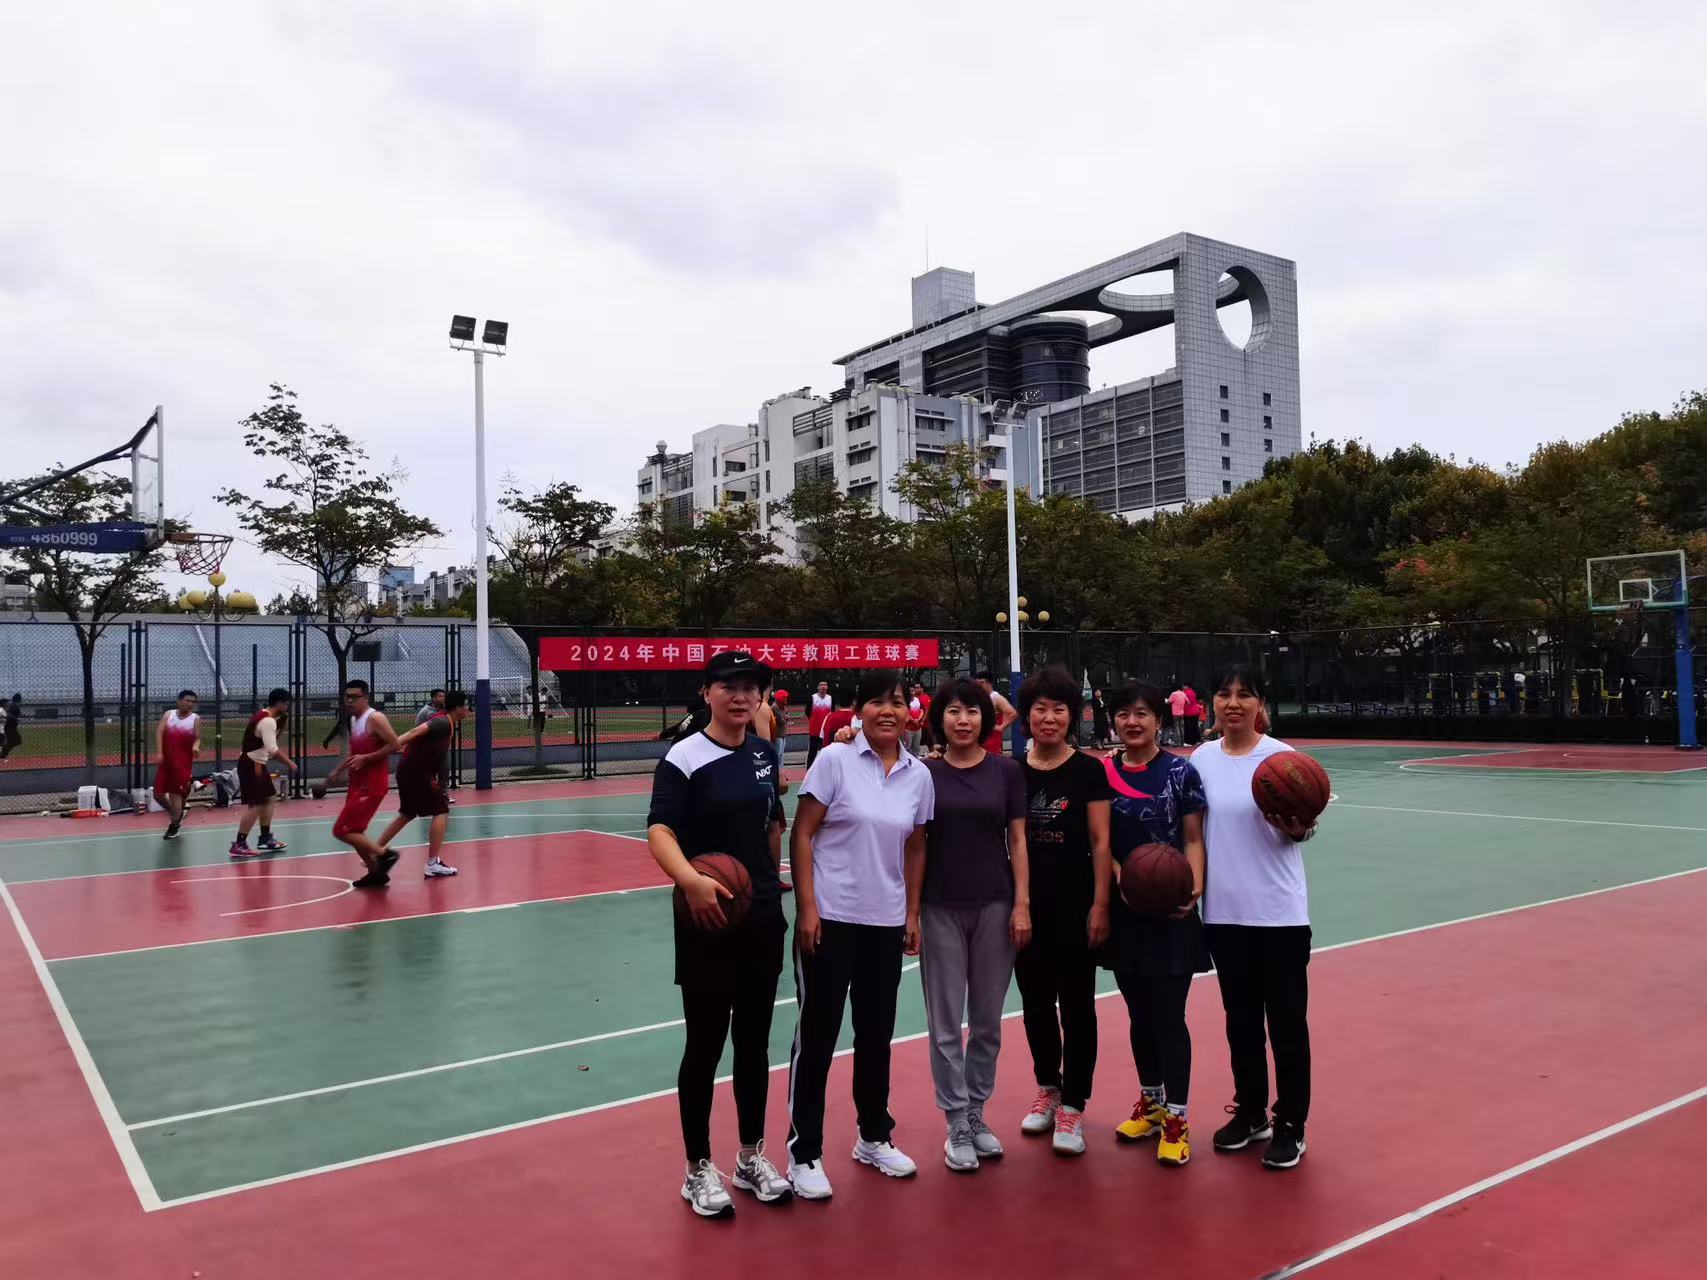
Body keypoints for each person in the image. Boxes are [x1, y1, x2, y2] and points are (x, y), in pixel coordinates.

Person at [648, 651, 791, 1219]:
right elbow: (660, 830)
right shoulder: (683, 757)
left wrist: (771, 881)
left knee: (755, 1042)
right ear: (707, 692)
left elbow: (771, 824)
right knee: (706, 1043)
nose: (741, 695)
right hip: (706, 918)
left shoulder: (763, 753)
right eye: (729, 685)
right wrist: (690, 880)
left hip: (760, 916)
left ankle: (751, 1156)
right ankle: (697, 1167)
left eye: (751, 687)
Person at [786, 670, 934, 1200]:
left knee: (876, 1035)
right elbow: (802, 833)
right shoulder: (834, 760)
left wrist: (911, 912)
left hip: (885, 921)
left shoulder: (919, 775)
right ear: (858, 709)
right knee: (818, 1036)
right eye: (877, 702)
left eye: (897, 702)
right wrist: (808, 908)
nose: (887, 711)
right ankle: (804, 1151)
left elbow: (916, 845)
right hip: (831, 918)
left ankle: (873, 1136)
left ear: (909, 712)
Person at [1193, 663, 1317, 1170]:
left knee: (1286, 1024)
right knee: (1240, 1023)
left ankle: (1291, 1123)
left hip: (1279, 914)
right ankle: (1250, 1112)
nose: (1233, 703)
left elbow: (1304, 828)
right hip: (1224, 914)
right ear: (1213, 703)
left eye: (1244, 694)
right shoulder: (1202, 758)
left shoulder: (1285, 760)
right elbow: (1193, 831)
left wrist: (1298, 827)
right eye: (1224, 694)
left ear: (1260, 704)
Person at [917, 677, 1030, 1172]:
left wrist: (1022, 903)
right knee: (945, 1024)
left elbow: (1018, 841)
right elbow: (916, 844)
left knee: (986, 1022)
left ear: (986, 719)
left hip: (996, 905)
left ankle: (977, 1112)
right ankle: (956, 1121)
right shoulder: (924, 773)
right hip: (939, 905)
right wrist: (910, 912)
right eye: (953, 711)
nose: (963, 720)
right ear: (939, 719)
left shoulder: (1006, 772)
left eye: (972, 711)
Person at [1102, 681, 1208, 1166]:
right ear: (1114, 721)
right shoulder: (1103, 773)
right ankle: (1152, 1103)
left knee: (1168, 1016)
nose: (1133, 721)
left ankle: (1178, 1117)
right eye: (1124, 713)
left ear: (1159, 721)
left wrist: (1193, 888)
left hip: (1171, 912)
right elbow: (1100, 842)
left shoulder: (1180, 772)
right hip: (1126, 909)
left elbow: (1193, 838)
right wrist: (1123, 878)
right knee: (1139, 1015)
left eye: (1142, 713)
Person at [1013, 665, 1112, 1156]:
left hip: (1076, 905)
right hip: (1027, 906)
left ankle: (1074, 1104)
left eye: (1059, 709)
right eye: (1040, 708)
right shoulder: (1013, 771)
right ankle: (1048, 1087)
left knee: (1076, 1006)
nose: (1049, 717)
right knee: (1034, 1004)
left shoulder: (1089, 771)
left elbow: (1101, 841)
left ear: (1072, 716)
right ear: (1027, 715)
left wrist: (1100, 904)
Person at [362, 691, 471, 878]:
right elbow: (414, 732)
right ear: (458, 708)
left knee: (407, 814)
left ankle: (373, 852)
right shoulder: (442, 722)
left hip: (411, 772)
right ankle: (433, 863)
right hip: (417, 774)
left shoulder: (446, 722)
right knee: (441, 810)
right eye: (466, 705)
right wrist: (387, 748)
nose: (468, 709)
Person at [324, 679, 400, 889]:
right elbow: (357, 754)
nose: (349, 701)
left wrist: (367, 759)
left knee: (342, 830)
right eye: (346, 697)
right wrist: (338, 770)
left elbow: (395, 744)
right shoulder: (354, 720)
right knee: (354, 832)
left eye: (354, 697)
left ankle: (385, 854)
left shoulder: (375, 718)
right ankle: (376, 873)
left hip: (372, 785)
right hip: (357, 784)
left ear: (365, 697)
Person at [229, 688, 296, 858]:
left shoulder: (265, 717)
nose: (288, 707)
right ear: (280, 703)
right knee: (257, 804)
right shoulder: (268, 721)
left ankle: (265, 837)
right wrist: (290, 763)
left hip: (255, 763)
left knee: (269, 798)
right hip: (253, 764)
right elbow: (272, 749)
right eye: (287, 703)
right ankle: (239, 844)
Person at [153, 690, 201, 840]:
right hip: (166, 762)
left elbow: (198, 738)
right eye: (187, 700)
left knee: (175, 795)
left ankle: (174, 826)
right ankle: (178, 812)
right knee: (158, 795)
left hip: (182, 764)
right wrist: (160, 753)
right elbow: (159, 732)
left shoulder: (195, 719)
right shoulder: (169, 715)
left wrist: (196, 747)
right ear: (179, 701)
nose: (190, 704)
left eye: (192, 701)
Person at [417, 689, 457, 801]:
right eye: (440, 696)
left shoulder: (443, 710)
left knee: (444, 770)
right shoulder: (427, 712)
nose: (443, 698)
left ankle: (443, 794)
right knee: (430, 773)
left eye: (443, 696)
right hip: (427, 747)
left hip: (440, 747)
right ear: (433, 698)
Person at [974, 671, 1018, 753]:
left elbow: (1013, 714)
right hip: (980, 739)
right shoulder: (979, 698)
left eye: (981, 683)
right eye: (977, 684)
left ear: (989, 683)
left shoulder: (996, 698)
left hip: (992, 741)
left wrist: (1001, 727)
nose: (979, 686)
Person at [806, 681, 833, 766]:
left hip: (826, 731)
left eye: (825, 685)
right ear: (818, 687)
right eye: (821, 685)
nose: (823, 687)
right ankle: (809, 769)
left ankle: (826, 768)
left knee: (826, 752)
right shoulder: (812, 698)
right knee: (812, 753)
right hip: (814, 731)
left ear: (827, 687)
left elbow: (832, 713)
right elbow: (807, 712)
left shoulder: (830, 698)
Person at [0, 692, 21, 760]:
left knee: (17, 740)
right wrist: (16, 719)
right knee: (13, 741)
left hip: (10, 727)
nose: (8, 703)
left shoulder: (12, 706)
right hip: (9, 727)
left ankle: (3, 754)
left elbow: (10, 715)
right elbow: (9, 715)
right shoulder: (13, 707)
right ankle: (2, 754)